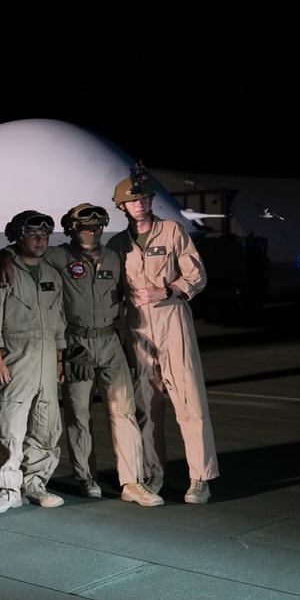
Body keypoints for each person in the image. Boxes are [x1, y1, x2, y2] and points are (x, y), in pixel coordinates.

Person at [0, 203, 163, 506]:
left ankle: (131, 481)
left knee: (124, 412)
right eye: (86, 226)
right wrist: (4, 257)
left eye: (98, 226)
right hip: (76, 343)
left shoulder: (114, 258)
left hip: (109, 341)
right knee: (78, 415)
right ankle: (86, 478)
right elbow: (23, 252)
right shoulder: (59, 255)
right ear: (72, 228)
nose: (93, 231)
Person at [106, 165, 219, 504]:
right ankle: (154, 474)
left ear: (150, 200)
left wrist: (168, 291)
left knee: (190, 403)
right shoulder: (116, 243)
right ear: (122, 207)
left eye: (143, 198)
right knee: (146, 406)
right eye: (132, 201)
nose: (139, 204)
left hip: (173, 322)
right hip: (137, 330)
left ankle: (200, 478)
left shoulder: (172, 231)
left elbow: (197, 274)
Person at [0, 211, 67, 513]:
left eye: (45, 234)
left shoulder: (52, 275)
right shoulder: (3, 272)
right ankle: (8, 488)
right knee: (8, 426)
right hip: (15, 360)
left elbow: (59, 322)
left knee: (46, 426)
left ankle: (35, 484)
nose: (40, 239)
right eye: (32, 234)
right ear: (18, 236)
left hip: (46, 360)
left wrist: (58, 359)